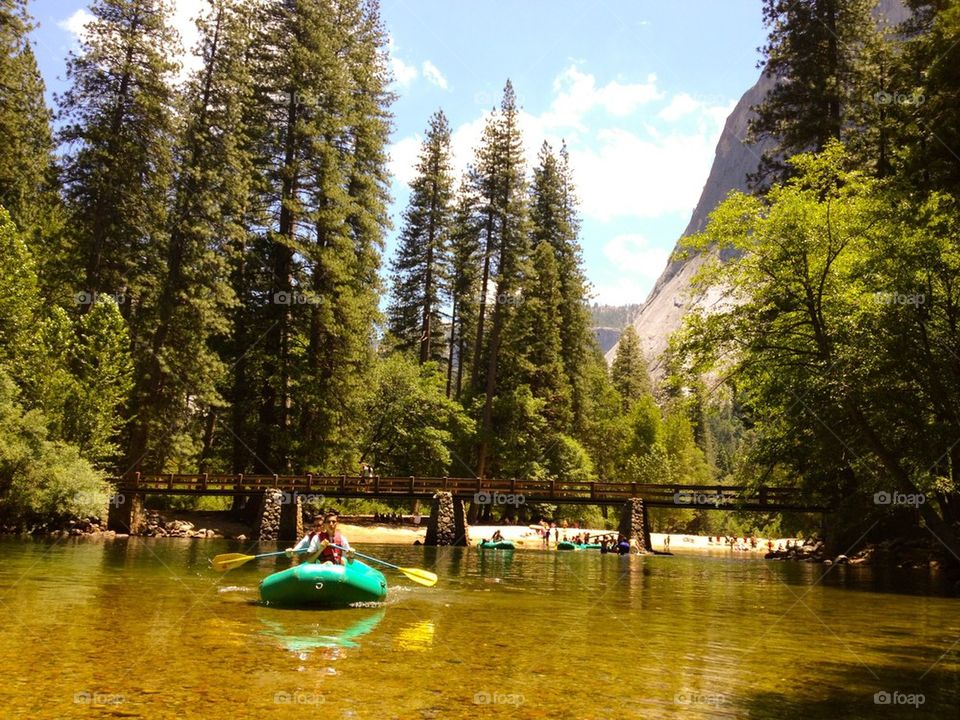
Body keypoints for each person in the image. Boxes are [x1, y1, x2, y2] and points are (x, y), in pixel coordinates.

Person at [286, 512, 352, 565]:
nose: (331, 524)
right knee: (328, 563)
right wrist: (291, 552)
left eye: (319, 525)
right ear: (325, 524)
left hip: (337, 568)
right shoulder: (314, 538)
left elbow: (350, 560)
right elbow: (298, 551)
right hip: (320, 565)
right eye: (315, 526)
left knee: (343, 561)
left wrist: (351, 556)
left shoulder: (342, 539)